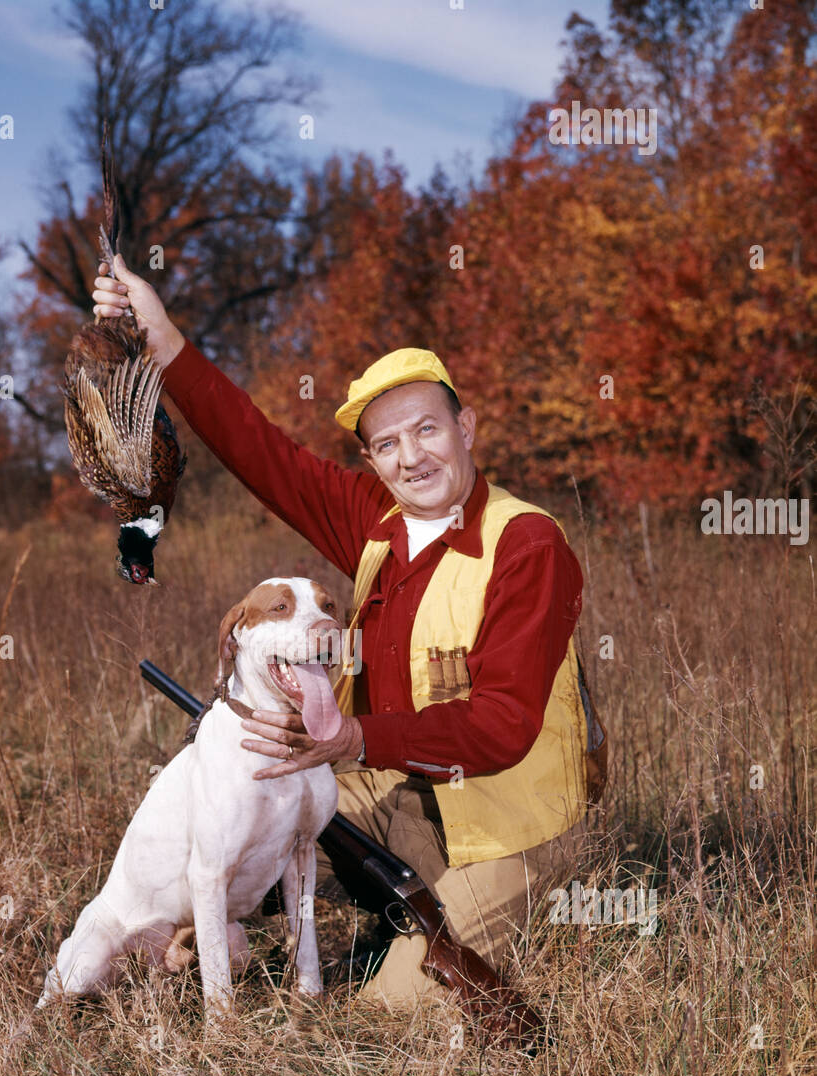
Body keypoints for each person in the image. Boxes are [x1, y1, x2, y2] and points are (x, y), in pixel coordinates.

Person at [92, 255, 591, 1010]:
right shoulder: (376, 521)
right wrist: (161, 337)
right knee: (242, 803)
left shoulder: (526, 545)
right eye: (387, 444)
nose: (410, 456)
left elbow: (503, 727)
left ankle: (416, 932)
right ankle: (178, 934)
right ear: (371, 459)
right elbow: (260, 452)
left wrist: (354, 741)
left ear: (465, 428)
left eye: (427, 429)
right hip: (387, 785)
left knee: (388, 1019)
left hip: (502, 821)